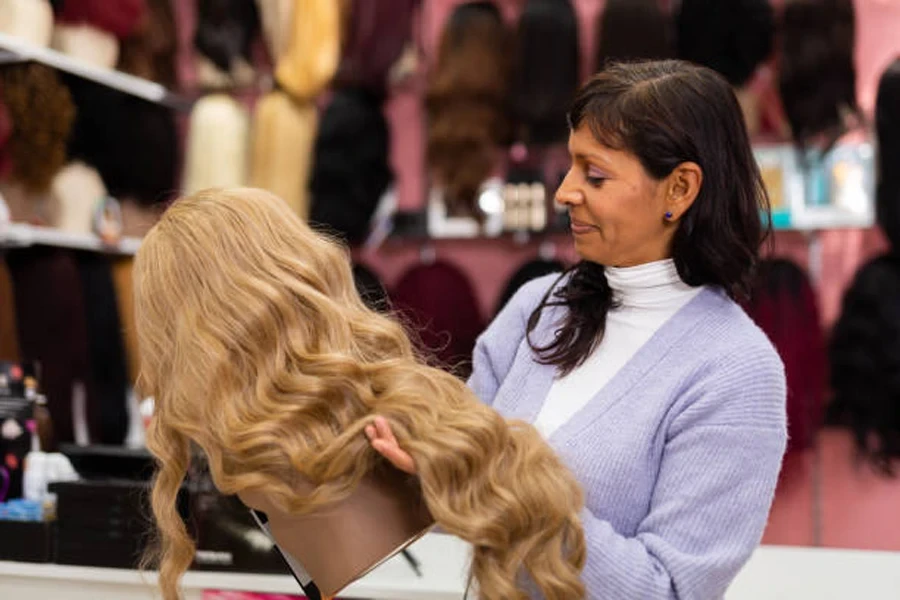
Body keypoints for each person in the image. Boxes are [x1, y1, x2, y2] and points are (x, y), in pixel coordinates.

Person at [367, 59, 788, 599]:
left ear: (680, 189)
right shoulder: (542, 307)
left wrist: (518, 484)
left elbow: (670, 591)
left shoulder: (736, 373)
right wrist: (423, 469)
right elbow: (468, 505)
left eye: (595, 175)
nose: (564, 191)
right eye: (570, 167)